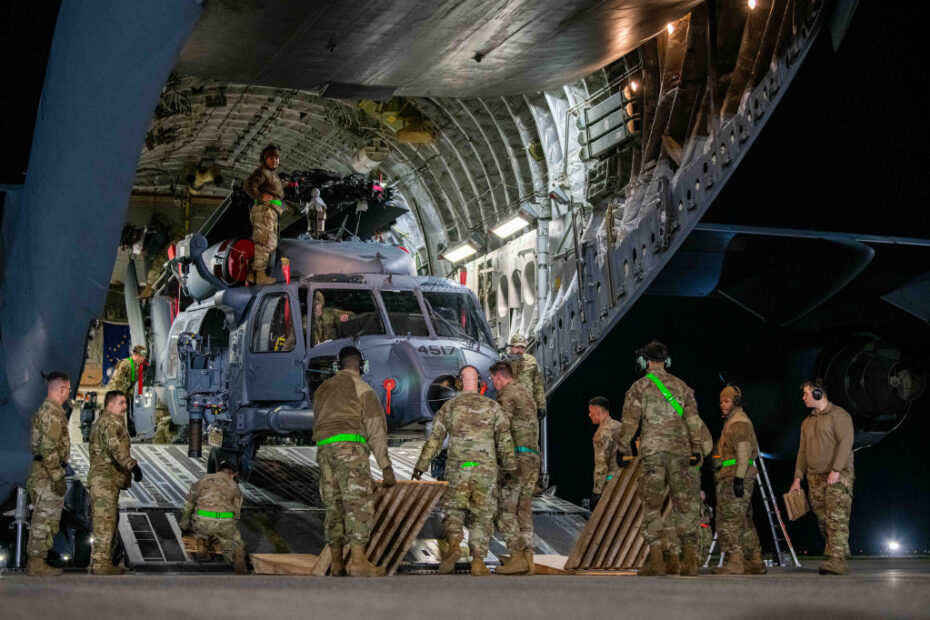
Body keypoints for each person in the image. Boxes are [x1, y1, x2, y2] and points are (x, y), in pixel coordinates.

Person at [413, 365, 516, 576]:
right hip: (485, 470)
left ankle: (453, 547)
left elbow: (435, 440)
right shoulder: (493, 407)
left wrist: (420, 466)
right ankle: (478, 562)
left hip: (458, 469)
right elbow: (505, 440)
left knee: (453, 512)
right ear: (479, 383)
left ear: (459, 382)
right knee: (482, 517)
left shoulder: (449, 407)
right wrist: (509, 467)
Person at [617, 340, 705, 577]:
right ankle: (689, 561)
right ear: (666, 361)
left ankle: (656, 559)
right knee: (684, 506)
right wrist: (696, 449)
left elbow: (629, 423)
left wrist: (622, 447)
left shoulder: (639, 387)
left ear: (645, 361)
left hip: (653, 454)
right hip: (680, 453)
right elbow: (694, 422)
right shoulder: (682, 387)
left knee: (652, 506)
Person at [312, 346, 395, 577]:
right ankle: (358, 562)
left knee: (333, 506)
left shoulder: (322, 389)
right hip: (350, 450)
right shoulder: (364, 389)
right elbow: (376, 429)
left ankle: (337, 563)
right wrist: (385, 467)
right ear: (362, 366)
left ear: (338, 366)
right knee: (357, 505)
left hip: (324, 451)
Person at [789, 379, 854, 575]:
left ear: (818, 393)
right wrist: (797, 478)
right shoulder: (807, 422)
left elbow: (846, 442)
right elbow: (802, 451)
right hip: (814, 477)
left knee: (836, 516)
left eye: (806, 393)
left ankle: (837, 560)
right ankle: (838, 553)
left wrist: (836, 469)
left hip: (838, 474)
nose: (803, 398)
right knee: (823, 519)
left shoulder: (839, 415)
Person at [489, 361, 539, 575]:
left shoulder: (507, 394)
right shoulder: (526, 393)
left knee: (505, 509)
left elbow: (501, 427)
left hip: (516, 459)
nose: (493, 384)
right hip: (533, 457)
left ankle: (517, 557)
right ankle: (529, 559)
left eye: (493, 380)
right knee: (524, 508)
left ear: (499, 376)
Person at [88, 390, 143, 574]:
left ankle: (106, 562)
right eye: (121, 403)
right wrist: (133, 466)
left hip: (105, 480)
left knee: (109, 521)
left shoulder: (104, 422)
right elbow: (117, 449)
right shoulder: (111, 423)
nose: (125, 407)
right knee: (105, 522)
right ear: (110, 405)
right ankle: (100, 563)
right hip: (105, 480)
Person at [713, 385, 765, 575]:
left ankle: (734, 561)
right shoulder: (734, 421)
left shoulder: (739, 422)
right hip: (737, 472)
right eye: (721, 401)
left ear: (735, 401)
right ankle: (755, 561)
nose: (722, 405)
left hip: (736, 473)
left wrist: (738, 478)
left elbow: (743, 452)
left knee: (728, 519)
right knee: (744, 520)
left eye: (726, 401)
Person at [24, 371, 72, 576]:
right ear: (61, 388)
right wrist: (57, 476)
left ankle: (38, 561)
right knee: (44, 518)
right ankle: (36, 563)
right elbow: (48, 448)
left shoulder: (48, 410)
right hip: (47, 473)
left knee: (45, 517)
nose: (69, 393)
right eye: (68, 390)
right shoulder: (52, 413)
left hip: (43, 471)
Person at [179, 460, 247, 574]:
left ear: (218, 470)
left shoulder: (203, 480)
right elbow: (237, 512)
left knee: (199, 524)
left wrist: (184, 523)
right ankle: (236, 557)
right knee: (234, 541)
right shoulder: (234, 485)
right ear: (233, 474)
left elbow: (189, 503)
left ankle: (202, 541)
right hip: (225, 519)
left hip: (203, 520)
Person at [664, 419, 713, 574]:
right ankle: (678, 559)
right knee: (675, 517)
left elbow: (707, 444)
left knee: (686, 516)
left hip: (685, 472)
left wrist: (698, 458)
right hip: (676, 472)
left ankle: (688, 559)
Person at [244, 143, 285, 285]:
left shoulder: (271, 174)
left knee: (269, 243)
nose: (275, 160)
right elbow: (249, 185)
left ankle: (253, 274)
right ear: (265, 159)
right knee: (265, 242)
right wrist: (260, 196)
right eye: (271, 158)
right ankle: (260, 276)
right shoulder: (262, 172)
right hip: (264, 210)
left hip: (271, 211)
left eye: (277, 158)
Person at [587, 396, 622, 511]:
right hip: (623, 482)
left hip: (609, 486)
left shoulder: (602, 432)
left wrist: (596, 493)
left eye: (590, 411)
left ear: (597, 410)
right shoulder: (619, 426)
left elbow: (601, 465)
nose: (589, 415)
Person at [506, 334, 546, 420]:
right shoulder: (503, 361)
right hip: (508, 408)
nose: (520, 350)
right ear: (511, 347)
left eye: (522, 347)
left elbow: (538, 385)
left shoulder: (531, 361)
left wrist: (541, 406)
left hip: (528, 407)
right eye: (517, 347)